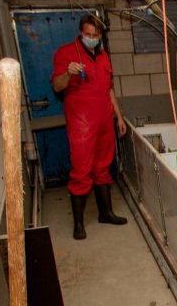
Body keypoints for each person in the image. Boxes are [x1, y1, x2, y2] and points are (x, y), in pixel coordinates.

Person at [51, 14, 127, 240]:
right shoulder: (66, 54)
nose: (91, 38)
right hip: (81, 123)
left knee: (103, 168)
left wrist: (119, 117)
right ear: (80, 33)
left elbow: (109, 89)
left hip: (104, 120)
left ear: (100, 37)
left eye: (95, 36)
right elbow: (57, 86)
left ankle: (106, 213)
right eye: (87, 35)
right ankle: (78, 224)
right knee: (81, 171)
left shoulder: (103, 57)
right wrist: (68, 73)